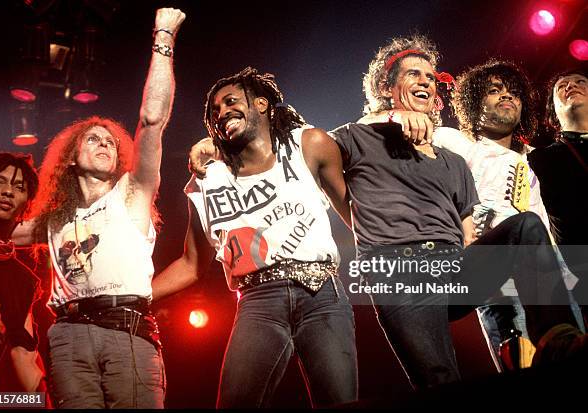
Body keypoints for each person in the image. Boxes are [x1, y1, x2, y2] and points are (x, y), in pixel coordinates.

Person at [190, 35, 586, 391]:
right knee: (439, 380)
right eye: (414, 74)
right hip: (398, 272)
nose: (426, 83)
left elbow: (469, 237)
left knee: (526, 229)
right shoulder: (355, 136)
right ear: (387, 87)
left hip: (451, 266)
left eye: (431, 79)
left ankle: (558, 340)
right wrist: (216, 146)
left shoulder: (452, 161)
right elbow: (289, 145)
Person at [152, 67, 358, 408]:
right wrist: (134, 294)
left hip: (321, 293)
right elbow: (191, 264)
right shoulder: (208, 178)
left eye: (231, 101)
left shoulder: (308, 144)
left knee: (339, 402)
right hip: (257, 302)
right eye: (214, 111)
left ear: (261, 104)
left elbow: (356, 217)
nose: (222, 113)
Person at [19, 8, 185, 408]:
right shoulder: (53, 220)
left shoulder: (131, 194)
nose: (106, 144)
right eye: (93, 139)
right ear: (71, 160)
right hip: (68, 335)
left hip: (127, 330)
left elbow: (151, 120)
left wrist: (164, 38)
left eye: (110, 141)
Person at [438, 60, 553, 371]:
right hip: (495, 279)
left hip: (540, 282)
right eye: (494, 90)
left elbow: (542, 230)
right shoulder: (458, 143)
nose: (507, 96)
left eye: (514, 93)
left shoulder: (527, 164)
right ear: (475, 104)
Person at [0, 152, 44, 392]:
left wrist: (42, 402)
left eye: (19, 187)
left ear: (27, 201)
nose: (8, 191)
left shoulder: (21, 281)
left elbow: (24, 357)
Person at [528, 67, 588, 327]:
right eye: (561, 86)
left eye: (580, 81)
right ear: (552, 110)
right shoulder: (540, 160)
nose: (571, 86)